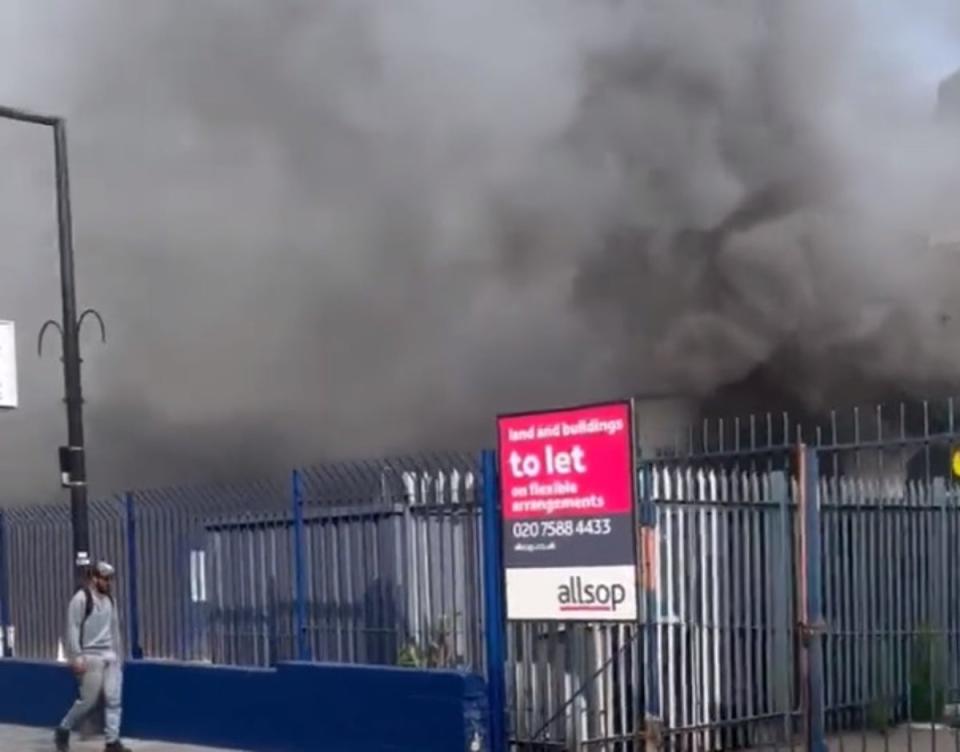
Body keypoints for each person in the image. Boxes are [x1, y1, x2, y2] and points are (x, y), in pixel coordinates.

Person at [54, 561, 130, 752]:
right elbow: (72, 628)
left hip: (110, 656)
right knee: (88, 701)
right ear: (94, 578)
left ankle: (112, 742)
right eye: (104, 578)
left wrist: (119, 657)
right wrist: (76, 657)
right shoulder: (81, 599)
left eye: (110, 579)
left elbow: (115, 630)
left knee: (114, 699)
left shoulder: (111, 601)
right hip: (91, 656)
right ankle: (64, 728)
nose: (108, 582)